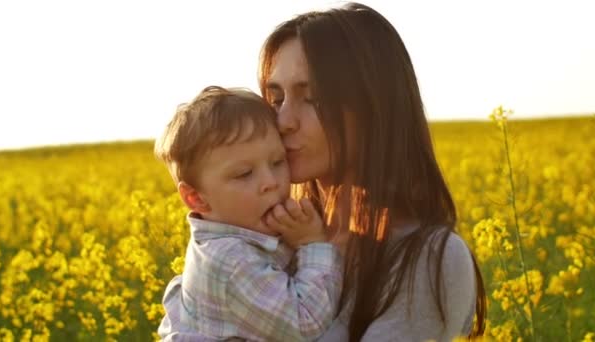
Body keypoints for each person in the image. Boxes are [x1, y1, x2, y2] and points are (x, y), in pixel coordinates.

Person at [258, 2, 486, 341]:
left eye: (313, 99)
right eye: (277, 100)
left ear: (374, 108)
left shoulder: (428, 259)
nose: (283, 121)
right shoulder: (269, 238)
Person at [154, 86, 343, 341]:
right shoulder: (231, 261)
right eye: (244, 174)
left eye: (278, 162)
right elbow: (305, 323)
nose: (271, 182)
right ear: (196, 198)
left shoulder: (229, 243)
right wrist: (312, 244)